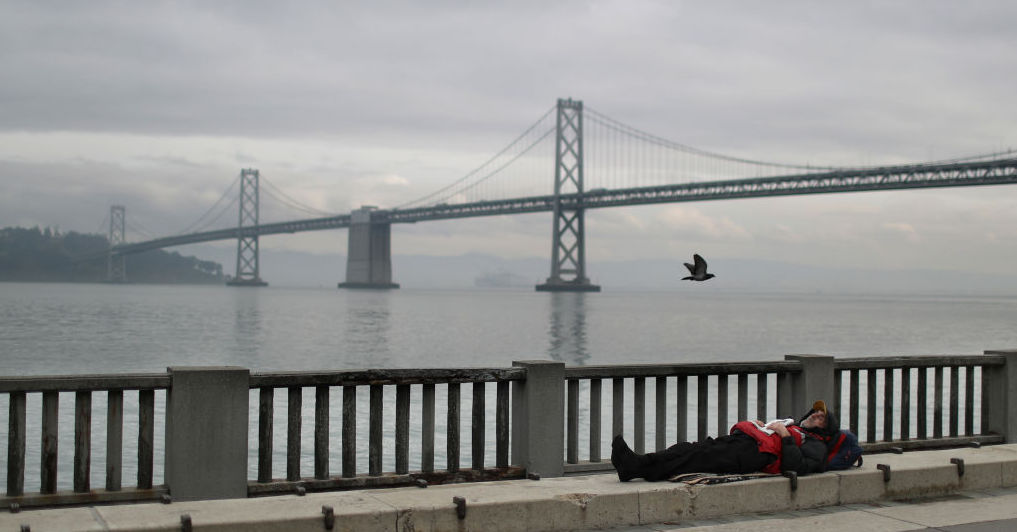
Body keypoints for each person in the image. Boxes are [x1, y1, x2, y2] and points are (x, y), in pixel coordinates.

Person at [611, 400, 839, 482]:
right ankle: (637, 464)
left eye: (822, 418)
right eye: (816, 412)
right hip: (745, 442)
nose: (816, 415)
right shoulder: (795, 426)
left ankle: (636, 468)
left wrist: (785, 436)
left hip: (754, 455)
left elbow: (797, 466)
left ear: (826, 431)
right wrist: (765, 425)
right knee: (690, 448)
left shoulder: (817, 446)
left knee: (696, 458)